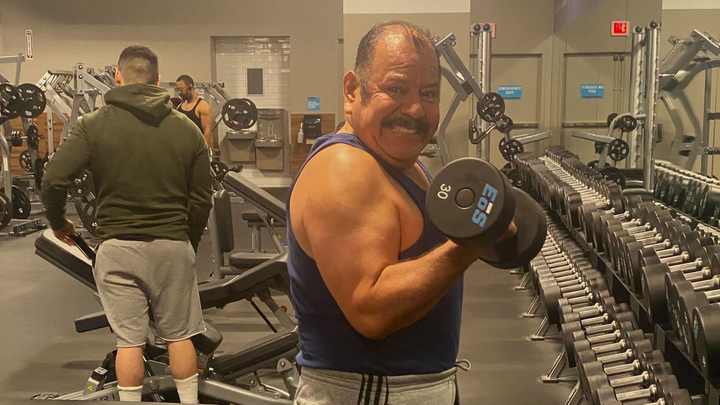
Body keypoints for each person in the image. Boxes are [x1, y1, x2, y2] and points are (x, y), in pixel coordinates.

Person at [287, 21, 516, 405]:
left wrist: (488, 236)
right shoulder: (346, 168)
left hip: (406, 387)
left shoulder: (403, 163)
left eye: (429, 94)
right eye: (395, 89)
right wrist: (471, 243)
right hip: (368, 392)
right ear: (352, 90)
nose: (415, 109)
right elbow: (371, 309)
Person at [42, 44, 213, 403]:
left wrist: (58, 223)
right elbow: (201, 199)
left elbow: (54, 180)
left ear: (118, 77)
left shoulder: (92, 125)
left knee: (130, 343)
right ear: (159, 81)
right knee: (180, 336)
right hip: (171, 246)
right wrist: (187, 242)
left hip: (118, 250)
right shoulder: (188, 129)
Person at [176, 74, 214, 148]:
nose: (179, 92)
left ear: (190, 87)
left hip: (196, 149)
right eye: (178, 90)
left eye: (181, 89)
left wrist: (202, 152)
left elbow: (207, 132)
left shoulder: (202, 107)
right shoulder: (180, 106)